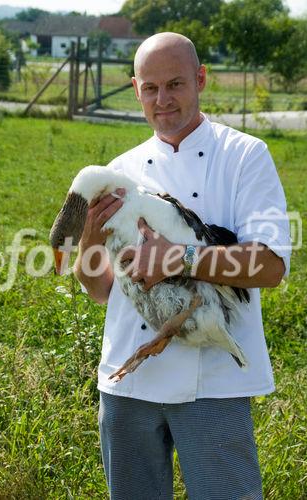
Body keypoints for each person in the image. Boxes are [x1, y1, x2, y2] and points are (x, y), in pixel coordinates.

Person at [74, 33, 291, 500]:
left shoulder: (245, 157)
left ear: (201, 79)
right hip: (128, 378)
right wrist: (90, 235)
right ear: (135, 89)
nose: (163, 99)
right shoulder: (120, 171)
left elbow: (271, 267)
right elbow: (98, 288)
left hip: (213, 380)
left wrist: (177, 257)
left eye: (175, 84)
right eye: (150, 88)